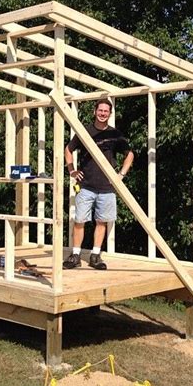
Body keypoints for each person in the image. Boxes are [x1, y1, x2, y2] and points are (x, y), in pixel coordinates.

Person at [63, 99, 134, 270]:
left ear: (110, 114)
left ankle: (95, 256)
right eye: (100, 110)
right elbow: (68, 150)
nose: (103, 113)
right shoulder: (85, 131)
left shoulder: (115, 134)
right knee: (79, 220)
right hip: (85, 185)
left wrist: (120, 175)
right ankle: (76, 255)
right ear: (95, 111)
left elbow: (129, 154)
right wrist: (72, 170)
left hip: (107, 188)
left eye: (106, 111)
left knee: (101, 221)